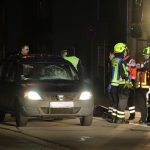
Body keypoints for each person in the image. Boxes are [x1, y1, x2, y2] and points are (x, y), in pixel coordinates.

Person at [109, 42, 131, 123]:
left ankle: (113, 118)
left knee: (115, 102)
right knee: (122, 102)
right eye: (125, 50)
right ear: (122, 50)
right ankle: (120, 119)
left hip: (113, 85)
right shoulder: (122, 61)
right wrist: (128, 72)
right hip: (122, 84)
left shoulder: (113, 61)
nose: (126, 52)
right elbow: (124, 74)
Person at [136, 46, 150, 124]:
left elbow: (147, 66)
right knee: (142, 105)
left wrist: (140, 66)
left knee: (148, 105)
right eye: (144, 54)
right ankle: (143, 118)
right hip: (141, 87)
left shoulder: (147, 63)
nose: (144, 56)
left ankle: (148, 119)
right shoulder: (144, 62)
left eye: (146, 54)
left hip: (148, 88)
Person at [123, 48, 137, 120]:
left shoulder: (131, 60)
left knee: (130, 100)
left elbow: (134, 73)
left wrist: (132, 82)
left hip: (129, 83)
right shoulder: (121, 60)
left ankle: (132, 114)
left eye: (124, 51)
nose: (123, 53)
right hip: (122, 82)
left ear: (127, 52)